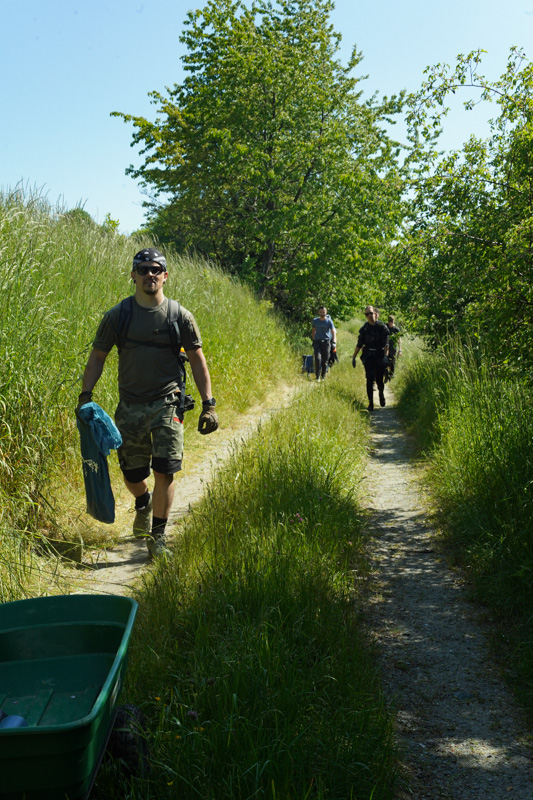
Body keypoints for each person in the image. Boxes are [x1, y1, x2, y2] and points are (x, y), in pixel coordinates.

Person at [77, 247, 218, 558]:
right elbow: (97, 357)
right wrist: (85, 396)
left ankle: (157, 538)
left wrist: (209, 403)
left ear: (165, 276)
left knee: (165, 469)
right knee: (132, 475)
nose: (149, 274)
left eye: (156, 269)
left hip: (168, 403)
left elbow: (197, 360)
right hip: (129, 406)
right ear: (133, 276)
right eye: (143, 269)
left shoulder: (180, 316)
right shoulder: (118, 316)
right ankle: (142, 501)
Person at [351, 305, 390, 411]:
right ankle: (371, 403)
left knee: (379, 379)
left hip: (379, 355)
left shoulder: (382, 327)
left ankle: (381, 394)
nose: (369, 316)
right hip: (368, 356)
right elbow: (359, 344)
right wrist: (354, 357)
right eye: (366, 314)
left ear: (375, 314)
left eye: (370, 313)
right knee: (369, 379)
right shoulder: (364, 328)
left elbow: (386, 344)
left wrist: (386, 356)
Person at [311, 306, 336, 381]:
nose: (322, 313)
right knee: (318, 358)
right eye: (321, 312)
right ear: (318, 312)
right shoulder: (315, 321)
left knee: (325, 360)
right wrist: (314, 339)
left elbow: (333, 331)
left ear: (326, 312)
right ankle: (317, 376)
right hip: (317, 342)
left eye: (323, 312)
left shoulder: (329, 321)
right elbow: (313, 330)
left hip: (326, 342)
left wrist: (333, 342)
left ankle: (323, 376)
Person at [386, 315, 401, 379]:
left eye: (391, 321)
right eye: (389, 321)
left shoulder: (396, 329)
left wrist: (400, 349)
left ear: (394, 321)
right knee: (386, 361)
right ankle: (385, 374)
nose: (390, 323)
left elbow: (399, 340)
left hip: (393, 347)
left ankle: (391, 374)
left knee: (392, 361)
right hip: (386, 347)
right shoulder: (386, 327)